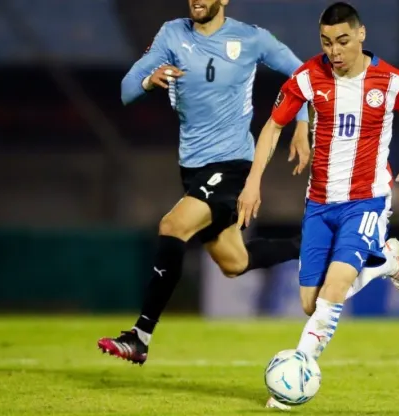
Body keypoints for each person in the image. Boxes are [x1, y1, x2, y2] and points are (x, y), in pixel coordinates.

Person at [235, 2, 399, 409]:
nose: (335, 51)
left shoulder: (393, 81)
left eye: (342, 41)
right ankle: (386, 263)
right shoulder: (308, 77)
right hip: (320, 205)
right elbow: (273, 127)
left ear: (361, 34)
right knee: (312, 304)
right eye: (326, 43)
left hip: (367, 201)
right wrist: (253, 181)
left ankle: (296, 373)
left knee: (336, 288)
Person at [97, 0, 314, 365]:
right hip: (193, 168)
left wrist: (303, 124)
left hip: (233, 164)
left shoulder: (251, 39)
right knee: (234, 262)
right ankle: (311, 245)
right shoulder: (171, 34)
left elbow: (303, 75)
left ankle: (140, 335)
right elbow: (126, 89)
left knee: (173, 225)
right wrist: (150, 80)